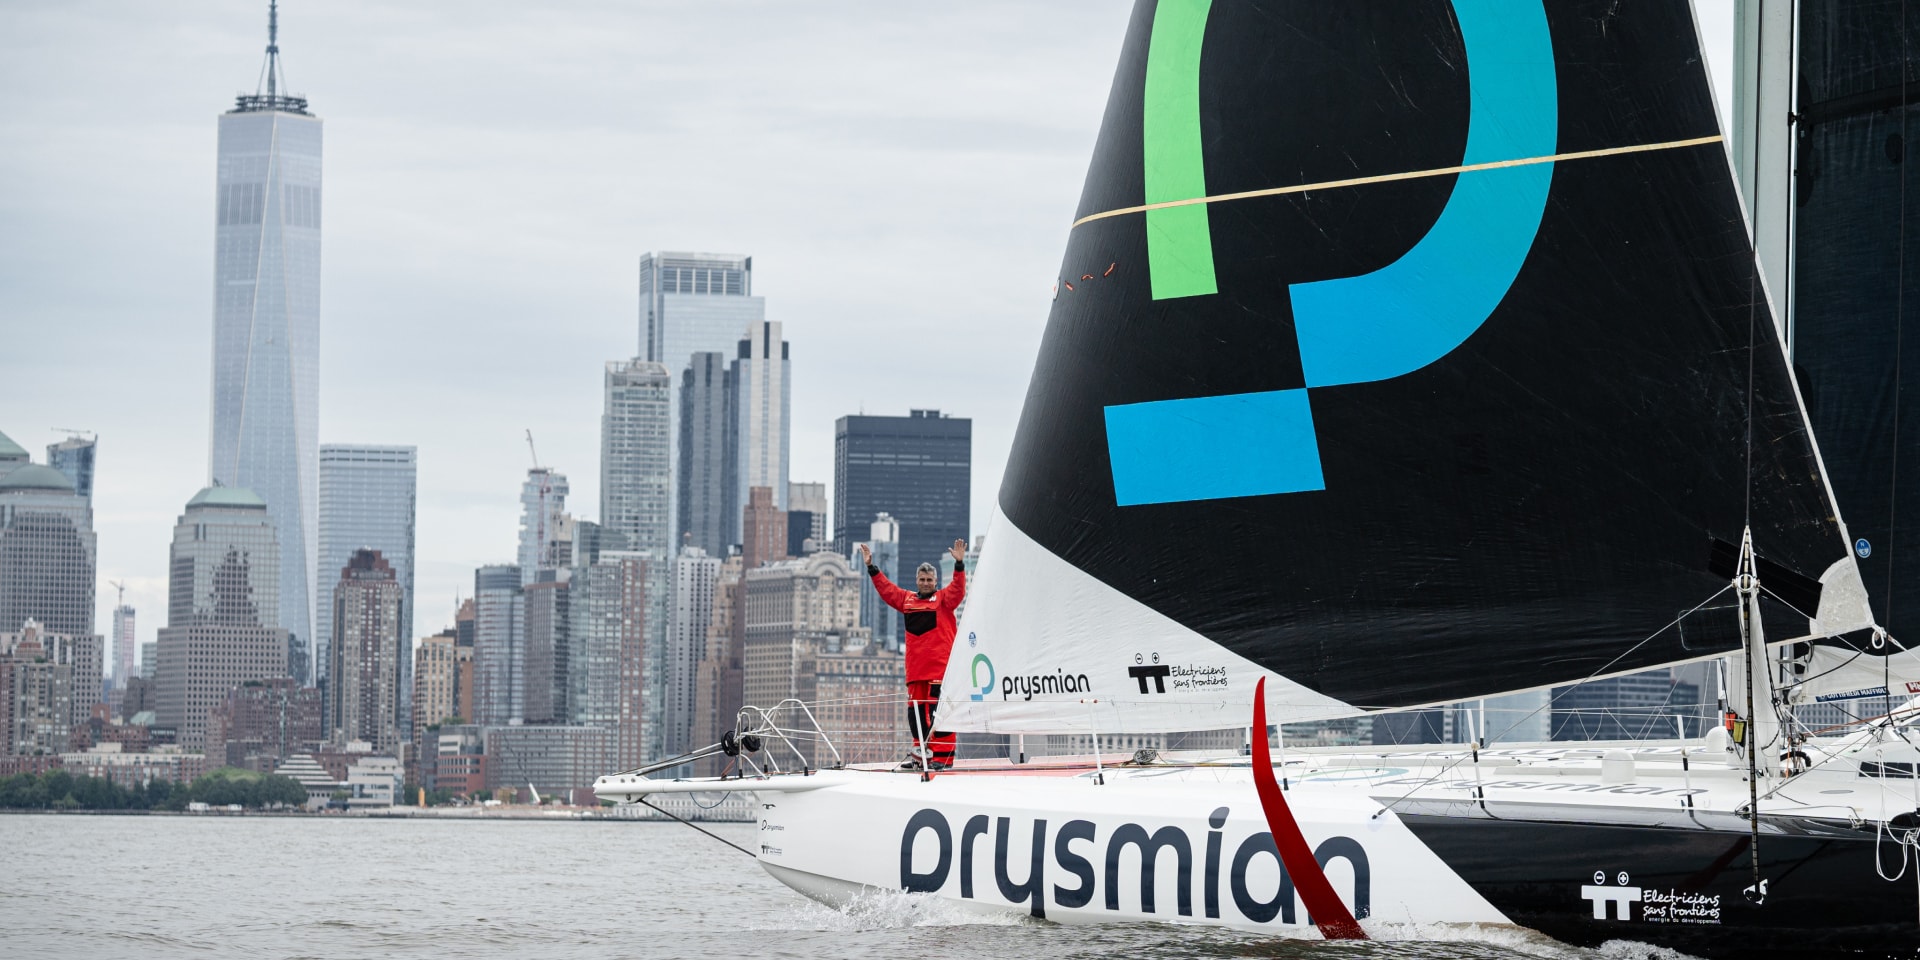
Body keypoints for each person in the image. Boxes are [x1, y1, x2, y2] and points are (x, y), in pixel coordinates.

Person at [860, 538, 967, 771]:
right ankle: (921, 757)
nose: (926, 583)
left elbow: (958, 591)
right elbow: (887, 591)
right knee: (916, 715)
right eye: (922, 579)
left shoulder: (943, 600)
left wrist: (959, 565)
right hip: (916, 672)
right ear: (917, 581)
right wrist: (871, 567)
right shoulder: (907, 600)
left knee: (939, 714)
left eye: (929, 580)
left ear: (936, 581)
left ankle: (943, 758)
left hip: (939, 670)